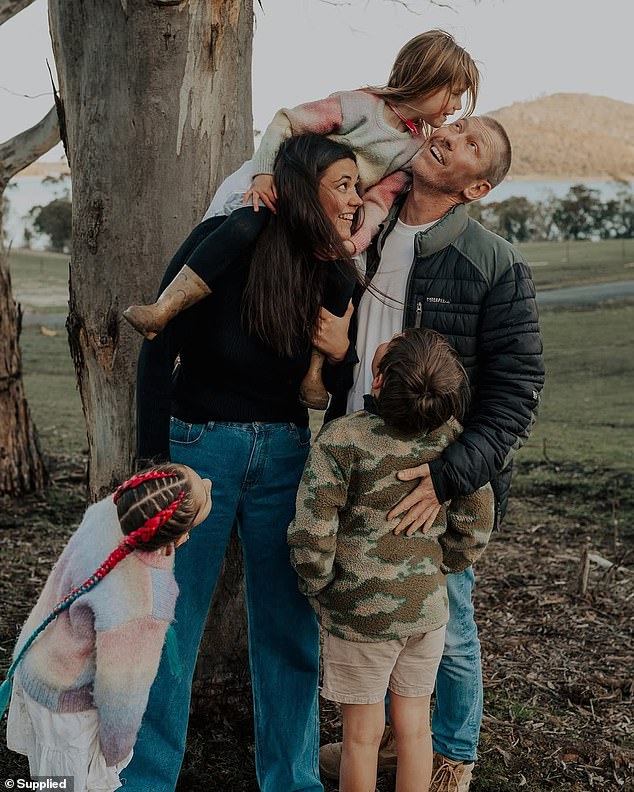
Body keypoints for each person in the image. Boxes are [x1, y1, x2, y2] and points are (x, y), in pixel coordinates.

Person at [121, 134, 363, 792]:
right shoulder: (227, 237)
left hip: (286, 455)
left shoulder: (336, 274)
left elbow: (339, 395)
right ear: (300, 186)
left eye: (357, 186)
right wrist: (151, 460)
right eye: (342, 184)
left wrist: (342, 356)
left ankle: (292, 781)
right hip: (200, 448)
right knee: (167, 623)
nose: (355, 198)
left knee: (288, 630)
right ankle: (144, 781)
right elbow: (156, 346)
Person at [319, 115, 545, 792]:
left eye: (471, 143)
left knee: (446, 620)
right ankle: (384, 747)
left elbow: (516, 391)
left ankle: (451, 757)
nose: (450, 132)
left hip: (433, 478)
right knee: (367, 610)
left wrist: (449, 477)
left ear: (475, 187)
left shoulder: (495, 264)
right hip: (357, 458)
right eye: (455, 124)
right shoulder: (365, 230)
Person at [122, 29, 479, 409]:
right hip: (278, 186)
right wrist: (263, 172)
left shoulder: (413, 151)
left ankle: (313, 375)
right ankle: (167, 307)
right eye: (453, 92)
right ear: (425, 78)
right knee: (240, 226)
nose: (456, 105)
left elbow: (376, 203)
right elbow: (286, 123)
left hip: (329, 216)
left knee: (343, 278)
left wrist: (352, 243)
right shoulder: (360, 107)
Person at [288, 328, 495, 792]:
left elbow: (312, 529)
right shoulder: (453, 444)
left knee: (361, 739)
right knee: (415, 729)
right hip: (425, 610)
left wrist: (317, 584)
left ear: (378, 383)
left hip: (360, 616)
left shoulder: (343, 439)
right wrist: (444, 566)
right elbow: (476, 521)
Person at [2, 464, 212, 792]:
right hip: (69, 713)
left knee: (47, 783)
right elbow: (122, 690)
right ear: (181, 535)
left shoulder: (109, 513)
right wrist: (116, 750)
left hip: (39, 666)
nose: (209, 484)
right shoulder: (143, 600)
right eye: (206, 493)